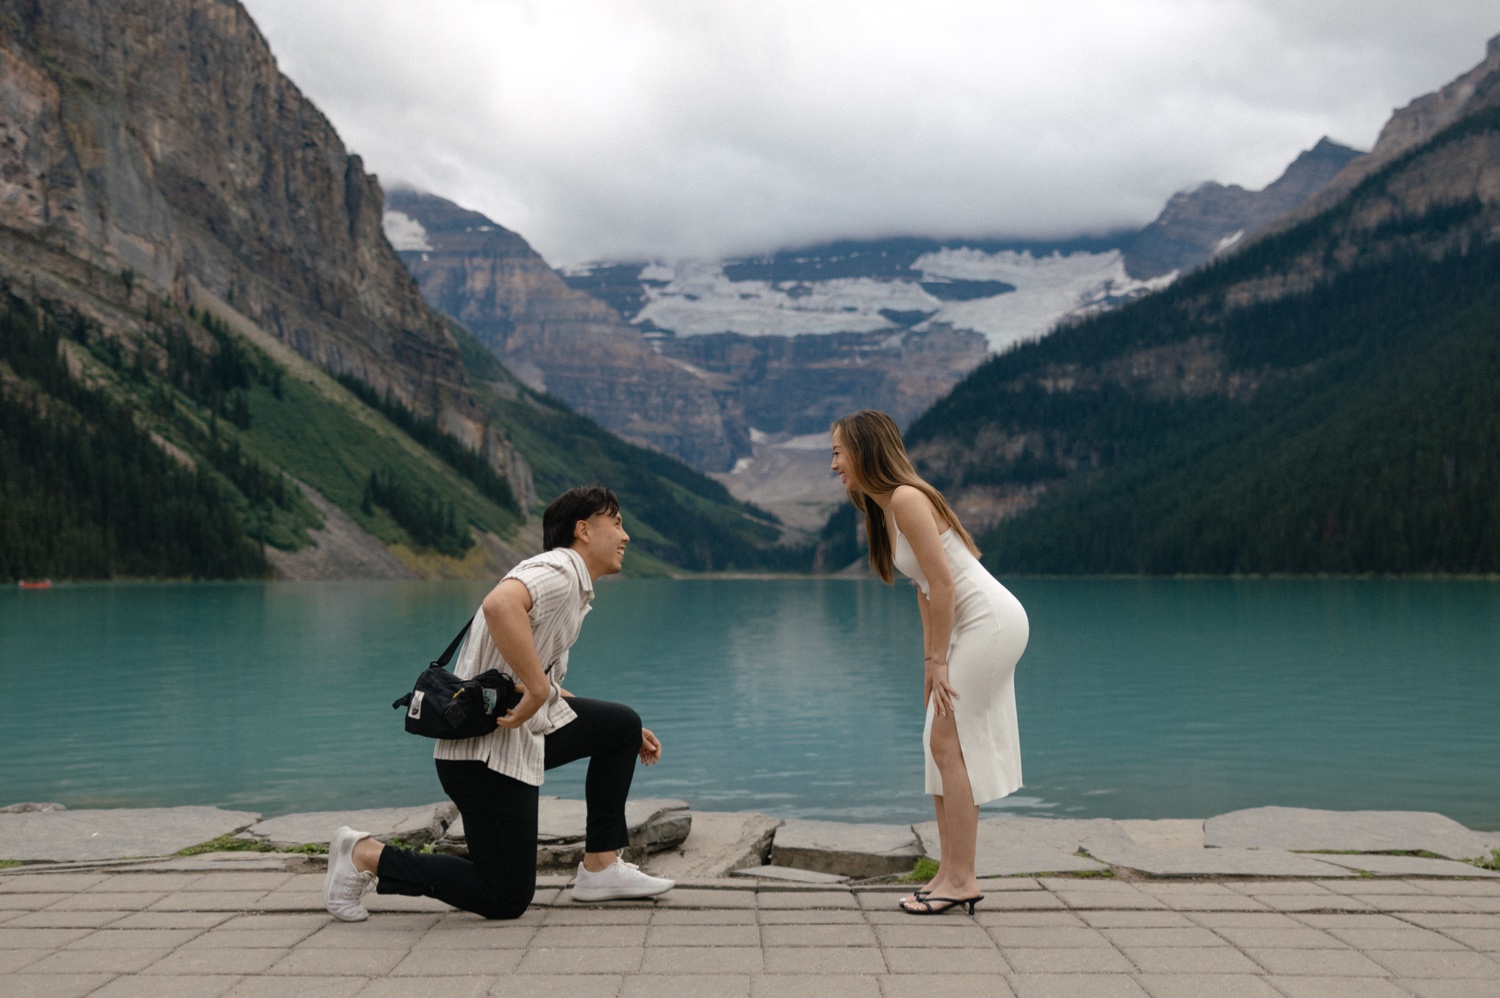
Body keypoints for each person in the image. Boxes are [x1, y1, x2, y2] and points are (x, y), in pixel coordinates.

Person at [323, 485, 674, 921]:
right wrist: (540, 690)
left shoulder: (570, 585)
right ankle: (365, 855)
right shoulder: (561, 568)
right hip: (484, 761)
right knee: (505, 897)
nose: (626, 535)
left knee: (620, 723)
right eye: (617, 522)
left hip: (508, 743)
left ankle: (601, 868)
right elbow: (499, 604)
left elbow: (536, 681)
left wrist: (606, 728)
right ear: (583, 530)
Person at [830, 410, 1028, 915]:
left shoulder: (906, 498)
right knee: (939, 743)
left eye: (838, 452)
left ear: (864, 450)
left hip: (988, 621)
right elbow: (925, 589)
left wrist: (940, 659)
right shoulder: (887, 508)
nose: (834, 465)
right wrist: (929, 662)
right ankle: (948, 872)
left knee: (949, 742)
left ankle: (962, 878)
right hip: (970, 625)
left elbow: (945, 584)